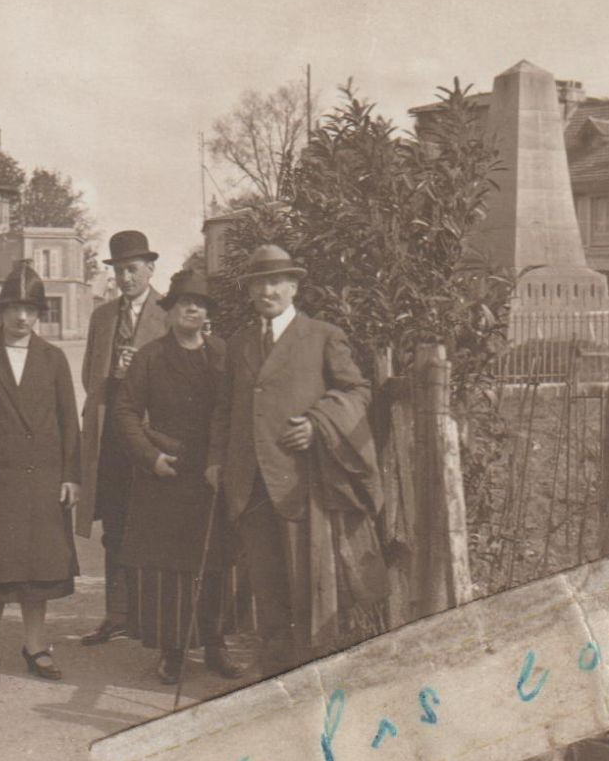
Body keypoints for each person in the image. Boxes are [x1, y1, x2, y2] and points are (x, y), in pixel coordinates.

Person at [206, 245, 388, 676]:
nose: (266, 290)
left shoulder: (323, 335)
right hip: (249, 482)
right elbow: (225, 408)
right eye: (258, 283)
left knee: (309, 586)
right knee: (266, 590)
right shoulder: (239, 343)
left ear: (293, 287)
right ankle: (275, 679)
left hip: (301, 482)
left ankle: (313, 677)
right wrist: (216, 462)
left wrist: (317, 423)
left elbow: (357, 391)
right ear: (249, 290)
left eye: (275, 281)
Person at [0, 262, 82, 690]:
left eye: (30, 309)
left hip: (43, 482)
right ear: (0, 312)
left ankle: (36, 646)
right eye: (13, 308)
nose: (21, 317)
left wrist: (71, 476)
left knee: (36, 571)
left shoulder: (54, 358)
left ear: (40, 314)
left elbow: (69, 423)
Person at [112, 270, 243, 684]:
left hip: (212, 473)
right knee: (169, 570)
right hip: (166, 475)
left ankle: (216, 643)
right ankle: (172, 651)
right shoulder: (150, 356)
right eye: (184, 302)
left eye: (200, 303)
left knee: (217, 561)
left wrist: (226, 462)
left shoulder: (222, 355)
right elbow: (125, 412)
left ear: (207, 314)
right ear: (169, 311)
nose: (192, 309)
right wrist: (150, 458)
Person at [76, 230, 168, 646]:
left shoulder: (170, 313)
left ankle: (150, 616)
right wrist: (114, 371)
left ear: (150, 268)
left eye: (133, 269)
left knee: (150, 524)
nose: (126, 278)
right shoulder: (102, 317)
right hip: (110, 437)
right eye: (119, 271)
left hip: (153, 437)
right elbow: (87, 376)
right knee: (113, 526)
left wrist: (141, 371)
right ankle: (117, 614)